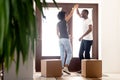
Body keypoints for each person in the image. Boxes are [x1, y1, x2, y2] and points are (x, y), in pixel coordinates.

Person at [57, 5, 78, 74]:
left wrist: (65, 36)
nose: (66, 15)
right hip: (65, 39)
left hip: (60, 40)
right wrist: (74, 8)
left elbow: (57, 33)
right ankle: (66, 67)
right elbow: (71, 14)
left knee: (62, 54)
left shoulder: (58, 23)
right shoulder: (64, 21)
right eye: (65, 15)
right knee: (70, 53)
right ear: (63, 16)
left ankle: (60, 69)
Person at [76, 6, 93, 72]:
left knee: (86, 54)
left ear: (86, 13)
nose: (81, 14)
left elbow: (90, 29)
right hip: (84, 40)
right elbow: (78, 14)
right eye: (81, 13)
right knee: (80, 54)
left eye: (82, 13)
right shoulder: (83, 19)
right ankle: (83, 69)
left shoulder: (89, 20)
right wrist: (76, 7)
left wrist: (82, 36)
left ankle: (88, 70)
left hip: (88, 40)